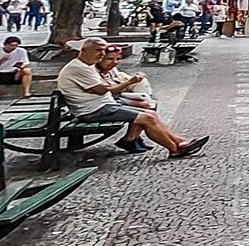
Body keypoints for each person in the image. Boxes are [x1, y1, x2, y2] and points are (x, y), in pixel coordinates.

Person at [56, 38, 207, 159]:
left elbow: (105, 88)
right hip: (94, 110)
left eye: (103, 50)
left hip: (104, 105)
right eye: (97, 50)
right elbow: (101, 90)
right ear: (83, 51)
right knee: (147, 118)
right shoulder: (79, 68)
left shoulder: (87, 66)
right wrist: (128, 83)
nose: (101, 54)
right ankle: (175, 149)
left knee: (150, 113)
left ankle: (180, 142)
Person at [97, 45, 157, 111]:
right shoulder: (94, 72)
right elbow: (110, 91)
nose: (115, 62)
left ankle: (148, 106)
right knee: (144, 103)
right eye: (110, 59)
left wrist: (136, 76)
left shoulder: (112, 68)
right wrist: (130, 82)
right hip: (106, 99)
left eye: (118, 59)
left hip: (118, 94)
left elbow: (120, 79)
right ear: (100, 59)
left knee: (142, 82)